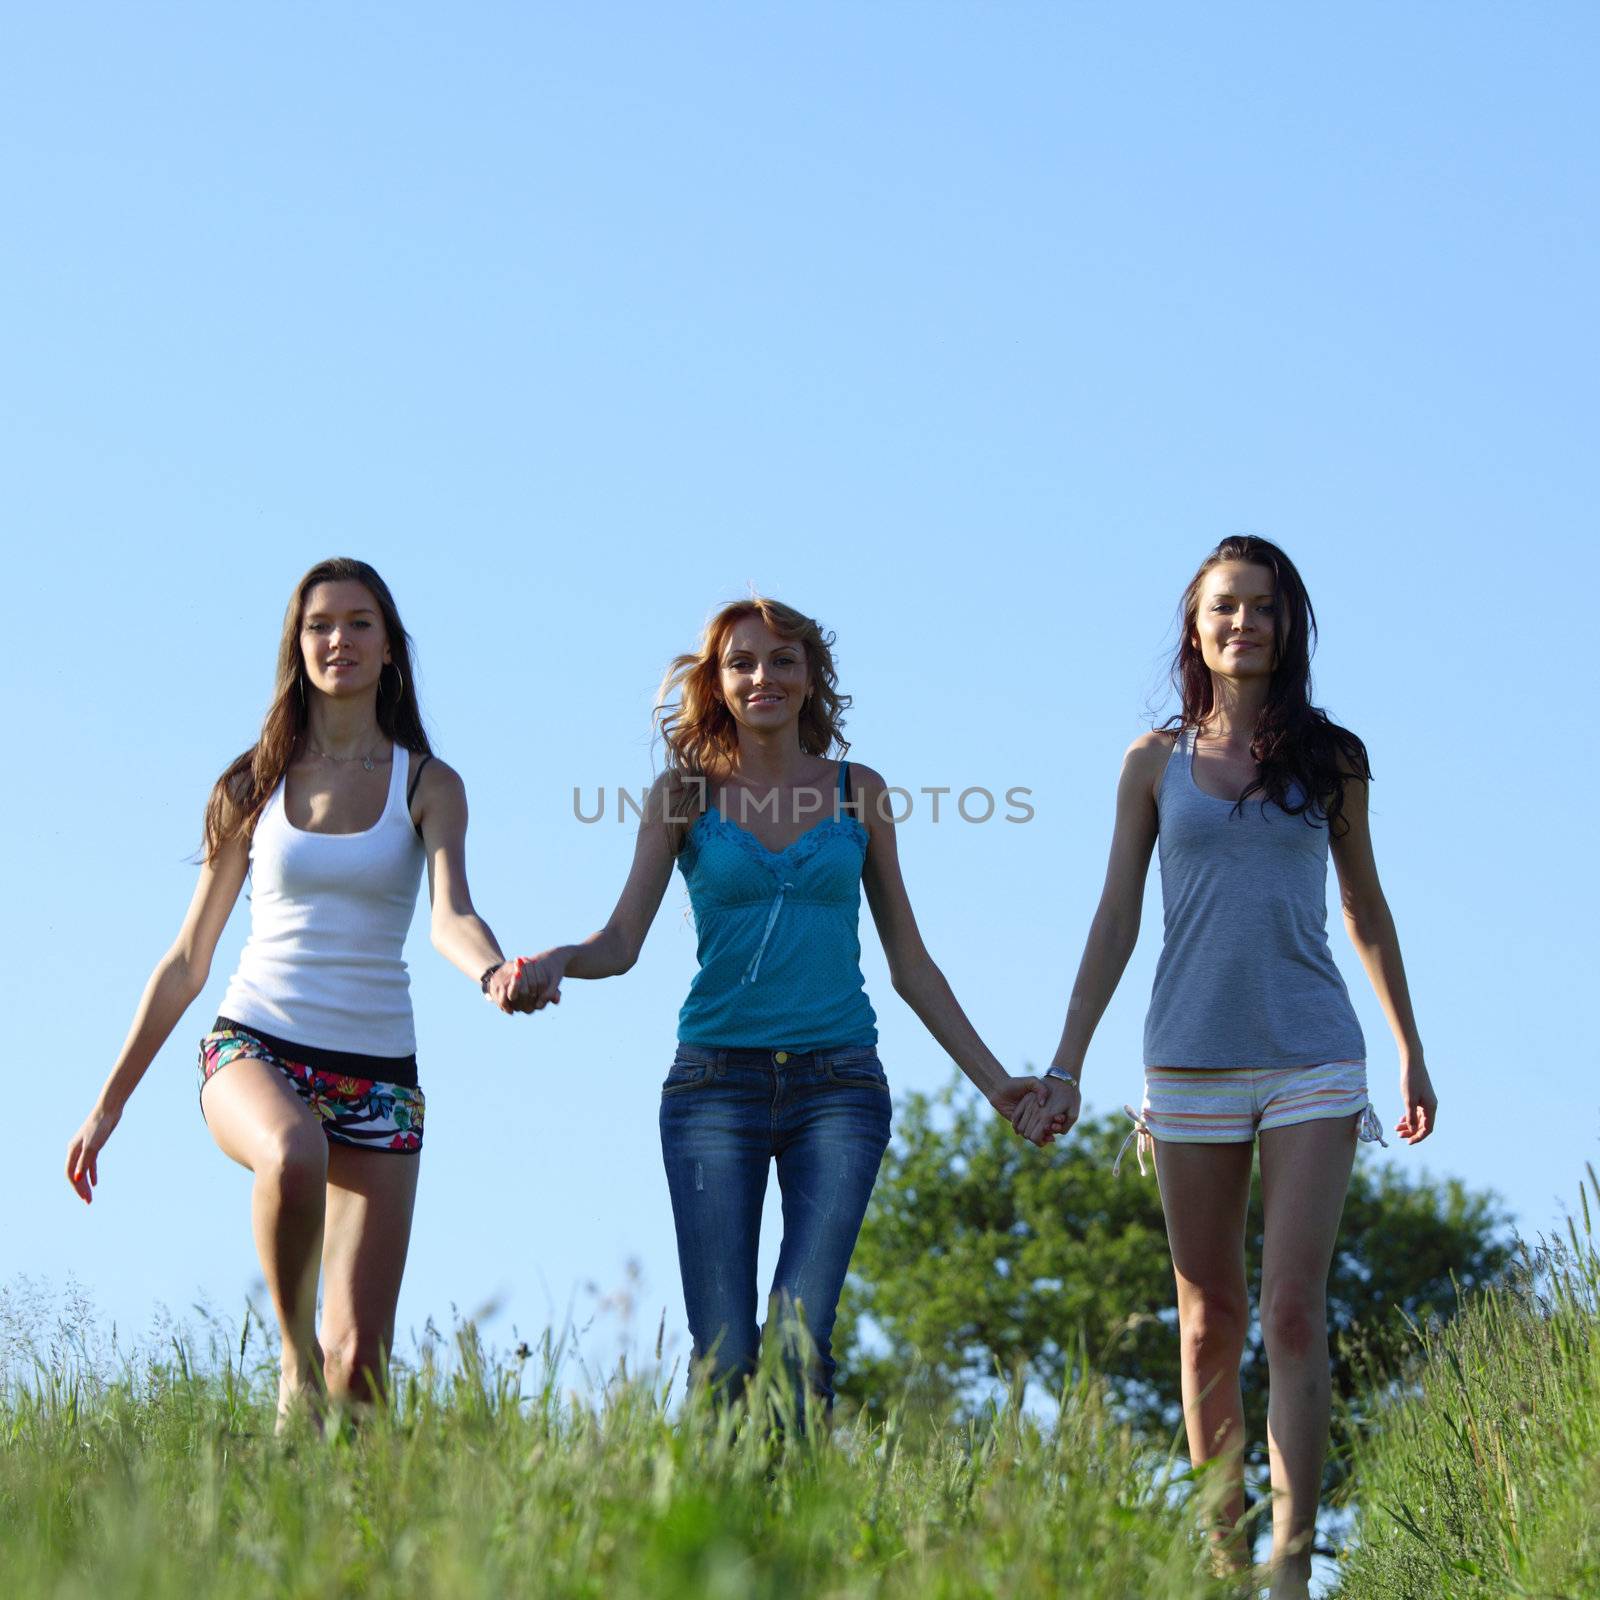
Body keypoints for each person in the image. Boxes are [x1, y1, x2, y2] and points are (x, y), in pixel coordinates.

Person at [1017, 537, 1438, 1600]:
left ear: (1287, 624)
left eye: (1259, 606)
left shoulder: (1333, 757)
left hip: (1312, 1054)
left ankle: (1291, 1566)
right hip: (1188, 1056)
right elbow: (1115, 915)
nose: (1240, 622)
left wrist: (1409, 1049)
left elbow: (1365, 907)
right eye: (1221, 608)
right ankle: (1221, 1558)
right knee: (1206, 1317)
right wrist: (1065, 1060)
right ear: (1195, 628)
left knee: (1293, 1309)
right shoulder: (1149, 763)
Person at [510, 597, 1048, 1415]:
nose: (764, 675)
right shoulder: (681, 797)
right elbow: (620, 942)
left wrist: (995, 1082)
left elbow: (911, 962)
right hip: (712, 1087)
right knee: (724, 1351)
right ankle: (721, 1534)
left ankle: (798, 1530)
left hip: (840, 1087)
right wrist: (556, 961)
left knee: (801, 1337)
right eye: (743, 662)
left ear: (811, 678)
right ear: (717, 684)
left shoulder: (857, 793)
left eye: (783, 660)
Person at [66, 557, 525, 1424]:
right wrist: (108, 1103)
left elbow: (451, 917)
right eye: (320, 624)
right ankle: (290, 1359)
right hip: (257, 1042)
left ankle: (338, 1529)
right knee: (291, 1152)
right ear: (296, 644)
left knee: (364, 1379)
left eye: (358, 623)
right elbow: (187, 959)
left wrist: (494, 972)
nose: (338, 639)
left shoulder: (428, 785)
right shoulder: (251, 784)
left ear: (388, 647)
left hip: (379, 1074)